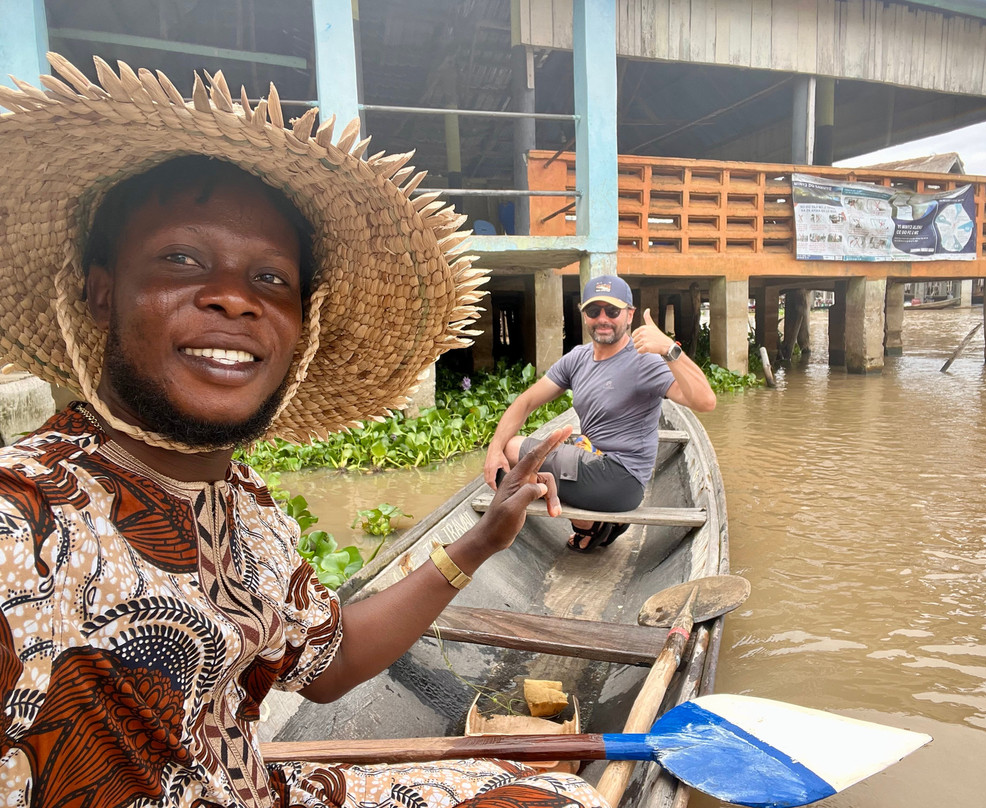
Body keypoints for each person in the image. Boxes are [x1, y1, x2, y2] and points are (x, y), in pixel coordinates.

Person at [0, 55, 606, 808]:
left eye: (270, 279)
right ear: (99, 294)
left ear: (300, 327)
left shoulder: (245, 507)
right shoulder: (25, 515)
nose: (231, 298)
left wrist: (482, 540)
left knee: (552, 799)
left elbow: (333, 662)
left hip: (254, 792)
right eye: (181, 259)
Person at [483, 274, 716, 552]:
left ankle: (588, 523)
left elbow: (706, 401)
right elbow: (525, 403)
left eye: (612, 311)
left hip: (621, 480)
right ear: (584, 315)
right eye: (594, 311)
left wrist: (668, 348)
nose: (602, 318)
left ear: (629, 315)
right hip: (592, 460)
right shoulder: (578, 359)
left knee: (514, 451)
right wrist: (493, 449)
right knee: (505, 454)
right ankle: (593, 522)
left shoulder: (645, 361)